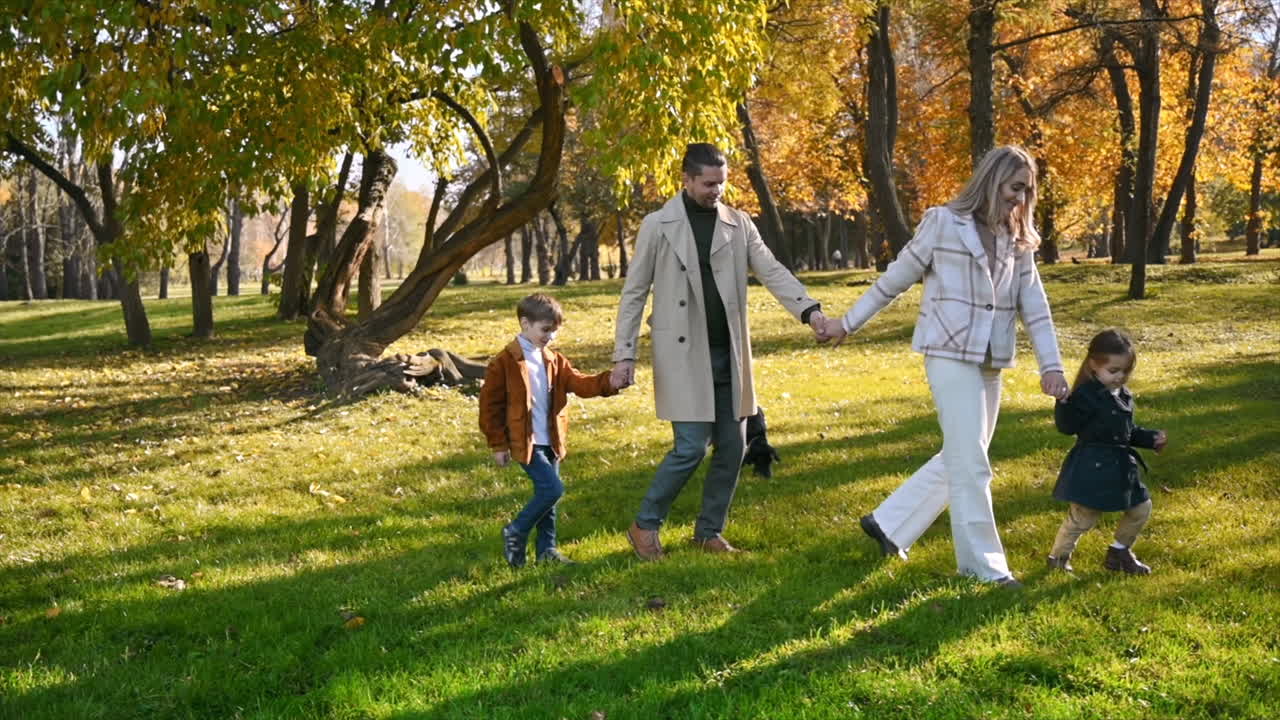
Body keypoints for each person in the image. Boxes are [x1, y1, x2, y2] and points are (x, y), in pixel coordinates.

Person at [819, 145, 1068, 587]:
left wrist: (1052, 366)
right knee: (972, 462)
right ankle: (983, 568)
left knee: (964, 454)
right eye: (1015, 188)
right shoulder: (943, 223)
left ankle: (889, 523)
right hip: (947, 352)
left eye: (1027, 191)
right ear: (992, 180)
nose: (1020, 199)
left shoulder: (1018, 237)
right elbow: (893, 280)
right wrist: (847, 324)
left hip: (991, 357)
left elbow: (1036, 305)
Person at [613, 142, 829, 560]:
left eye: (722, 184)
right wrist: (625, 355)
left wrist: (810, 312)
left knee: (733, 446)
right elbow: (634, 292)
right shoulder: (657, 225)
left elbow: (771, 270)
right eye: (709, 184)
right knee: (690, 447)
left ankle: (708, 532)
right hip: (681, 353)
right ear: (687, 180)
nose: (717, 191)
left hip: (730, 352)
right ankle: (644, 525)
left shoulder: (739, 223)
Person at [479, 293, 621, 567]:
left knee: (549, 502)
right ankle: (516, 530)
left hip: (552, 439)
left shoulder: (554, 360)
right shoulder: (505, 362)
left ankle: (547, 550)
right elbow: (490, 407)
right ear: (525, 324)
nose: (550, 337)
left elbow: (580, 384)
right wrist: (498, 444)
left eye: (554, 332)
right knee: (552, 489)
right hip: (525, 441)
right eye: (545, 330)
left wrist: (609, 382)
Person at [1047, 328, 1167, 575]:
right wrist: (1062, 402)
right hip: (1093, 468)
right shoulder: (1085, 396)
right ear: (1093, 365)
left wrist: (1150, 438)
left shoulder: (1122, 394)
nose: (1120, 377)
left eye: (1126, 371)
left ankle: (1119, 552)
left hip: (1121, 469)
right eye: (1113, 371)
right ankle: (1058, 559)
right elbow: (1066, 427)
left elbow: (1126, 431)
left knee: (1140, 508)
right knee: (1083, 518)